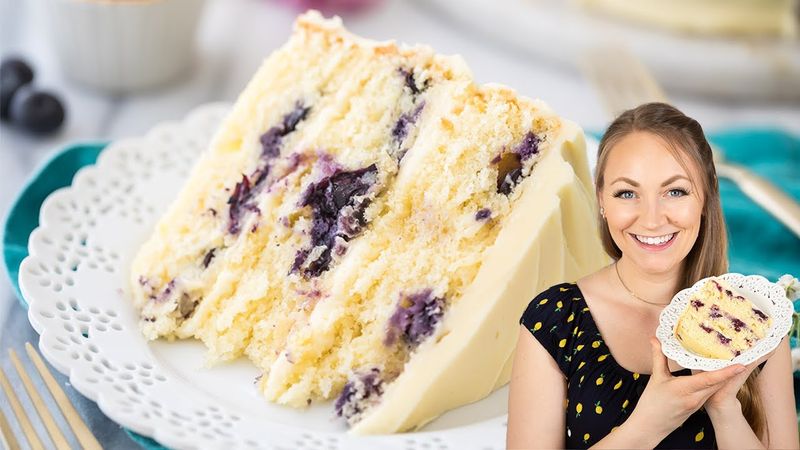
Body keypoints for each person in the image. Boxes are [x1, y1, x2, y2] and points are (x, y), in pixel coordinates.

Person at [507, 102, 799, 449]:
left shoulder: (757, 321)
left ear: (705, 197)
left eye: (675, 191)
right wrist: (647, 424)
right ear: (601, 199)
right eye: (627, 193)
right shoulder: (556, 319)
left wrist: (724, 409)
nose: (651, 219)